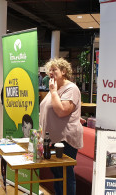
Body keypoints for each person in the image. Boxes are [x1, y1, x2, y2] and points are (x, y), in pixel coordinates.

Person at [39, 58, 83, 195]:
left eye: (54, 70)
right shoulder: (55, 88)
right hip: (52, 139)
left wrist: (52, 92)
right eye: (49, 70)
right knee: (57, 174)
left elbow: (62, 111)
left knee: (65, 175)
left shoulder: (71, 89)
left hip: (65, 139)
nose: (51, 72)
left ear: (64, 71)